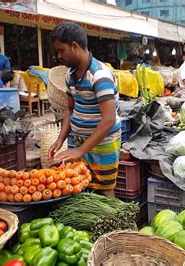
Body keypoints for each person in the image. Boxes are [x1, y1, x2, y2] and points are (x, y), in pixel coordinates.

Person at [47, 22, 121, 196]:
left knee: (104, 190)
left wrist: (80, 150)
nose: (58, 56)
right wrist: (60, 141)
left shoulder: (99, 75)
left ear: (74, 46)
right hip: (80, 141)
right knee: (83, 186)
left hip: (104, 143)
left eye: (61, 50)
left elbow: (109, 119)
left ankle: (113, 221)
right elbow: (70, 110)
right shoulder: (70, 75)